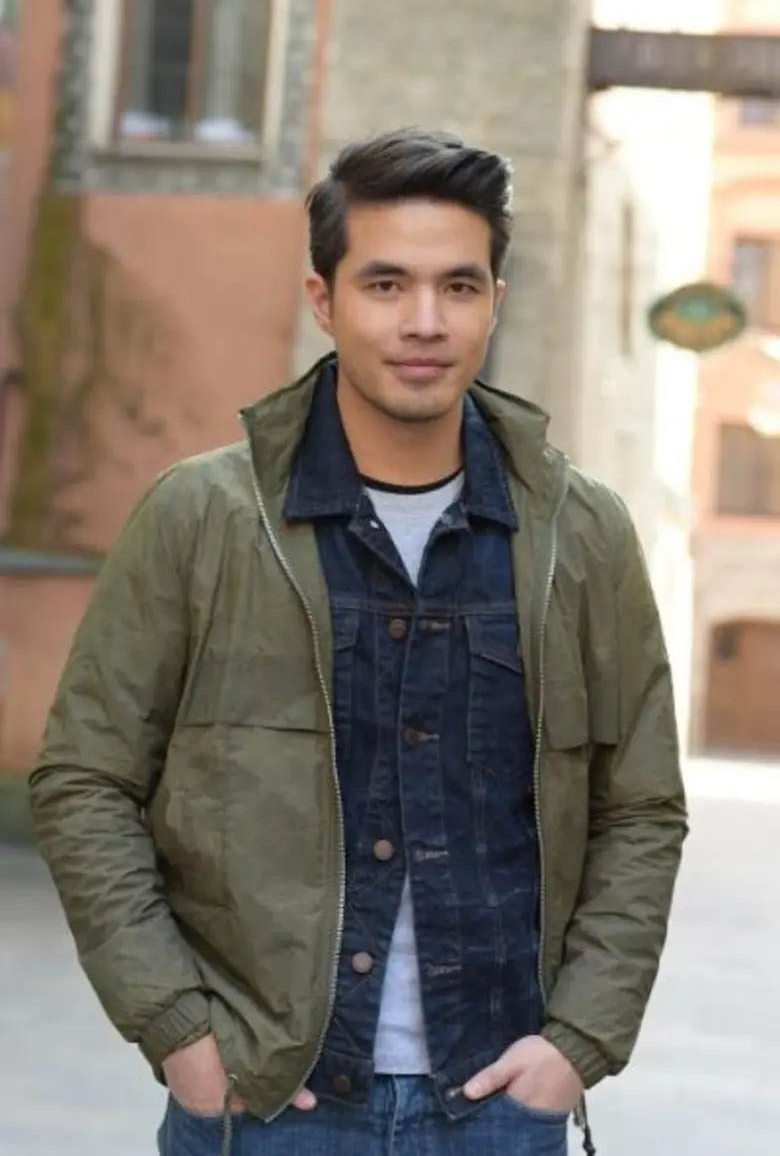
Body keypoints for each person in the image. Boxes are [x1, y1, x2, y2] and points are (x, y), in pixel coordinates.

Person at [29, 128, 687, 1156]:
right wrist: (180, 1031)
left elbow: (640, 806)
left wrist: (578, 1042)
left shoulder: (580, 532)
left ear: (495, 302)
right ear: (324, 300)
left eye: (458, 287)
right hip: (262, 1104)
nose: (424, 321)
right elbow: (85, 780)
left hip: (497, 1105)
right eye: (385, 284)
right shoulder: (205, 517)